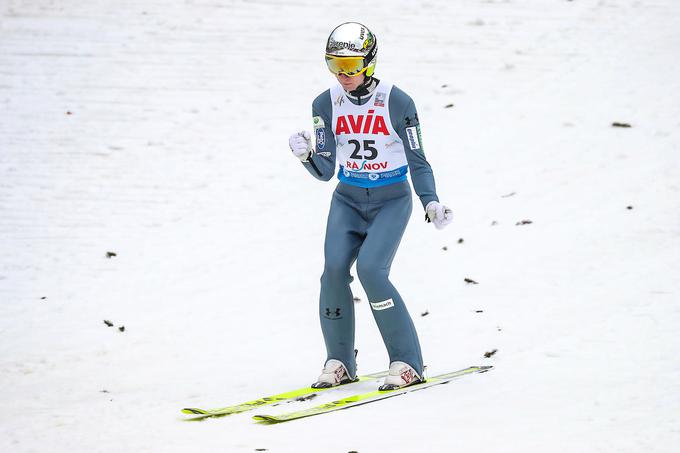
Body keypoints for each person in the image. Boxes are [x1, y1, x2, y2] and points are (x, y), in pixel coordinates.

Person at [288, 22, 453, 391]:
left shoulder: (397, 101)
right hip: (347, 198)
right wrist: (306, 156)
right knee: (332, 272)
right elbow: (326, 170)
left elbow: (418, 160)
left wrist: (431, 201)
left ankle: (408, 361)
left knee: (371, 271)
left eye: (351, 65)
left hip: (391, 199)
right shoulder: (324, 103)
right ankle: (340, 360)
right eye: (334, 64)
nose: (343, 75)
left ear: (370, 63)